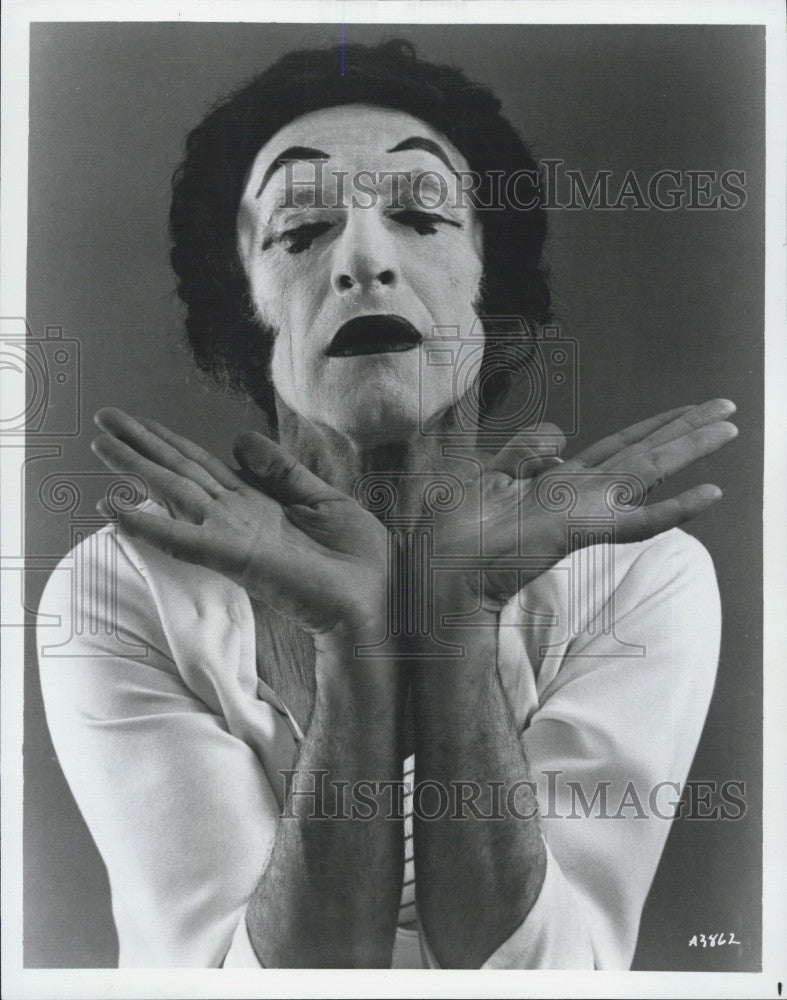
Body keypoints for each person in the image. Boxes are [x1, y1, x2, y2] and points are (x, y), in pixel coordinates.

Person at [37, 40, 737, 969]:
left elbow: (555, 982)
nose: (363, 260)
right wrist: (354, 640)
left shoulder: (640, 576)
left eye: (418, 215)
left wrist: (457, 612)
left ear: (492, 286)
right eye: (298, 232)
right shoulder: (116, 591)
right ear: (242, 307)